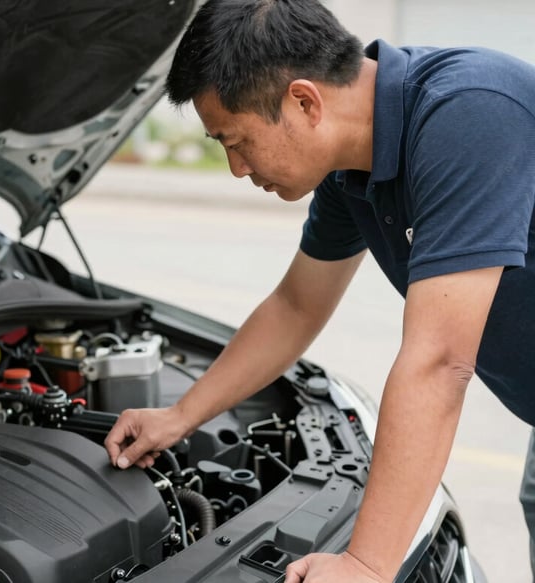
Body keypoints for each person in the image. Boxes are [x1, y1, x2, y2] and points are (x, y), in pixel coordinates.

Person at [103, 0, 535, 580]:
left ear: (304, 101)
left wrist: (366, 564)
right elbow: (295, 306)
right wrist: (181, 416)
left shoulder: (468, 114)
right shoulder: (350, 173)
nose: (235, 168)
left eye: (235, 141)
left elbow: (437, 362)